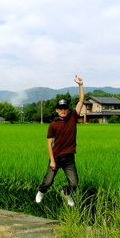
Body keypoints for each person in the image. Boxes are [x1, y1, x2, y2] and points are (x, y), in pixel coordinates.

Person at [36, 75, 85, 207]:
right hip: (56, 157)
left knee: (74, 183)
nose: (63, 111)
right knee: (48, 181)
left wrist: (80, 85)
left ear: (68, 110)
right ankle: (41, 191)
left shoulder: (72, 118)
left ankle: (66, 193)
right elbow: (49, 143)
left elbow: (81, 101)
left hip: (69, 158)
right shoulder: (53, 124)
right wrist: (52, 160)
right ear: (57, 110)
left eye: (65, 109)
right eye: (60, 109)